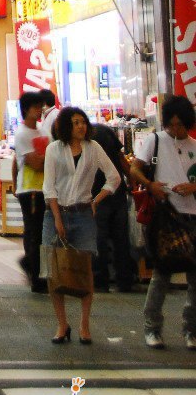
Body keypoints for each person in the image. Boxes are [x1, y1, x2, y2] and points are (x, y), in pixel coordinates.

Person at [41, 105, 120, 346]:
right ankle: (62, 324)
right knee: (54, 272)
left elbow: (114, 177)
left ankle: (85, 324)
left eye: (83, 121)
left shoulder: (93, 148)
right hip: (56, 213)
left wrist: (97, 199)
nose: (81, 126)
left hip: (83, 213)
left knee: (84, 271)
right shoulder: (54, 149)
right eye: (75, 122)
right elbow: (49, 186)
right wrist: (56, 218)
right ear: (66, 126)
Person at [131, 94, 196, 350]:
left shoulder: (194, 145)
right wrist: (151, 185)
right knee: (161, 274)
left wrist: (192, 187)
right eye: (172, 124)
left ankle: (191, 330)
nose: (176, 129)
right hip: (165, 216)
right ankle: (152, 328)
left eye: (180, 124)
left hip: (192, 216)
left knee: (195, 279)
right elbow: (135, 168)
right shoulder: (155, 141)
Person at [90, 118, 135, 293]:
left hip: (97, 195)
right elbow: (121, 159)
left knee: (99, 238)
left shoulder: (84, 140)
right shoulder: (105, 130)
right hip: (117, 193)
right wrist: (131, 181)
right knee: (121, 238)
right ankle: (125, 280)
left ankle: (100, 280)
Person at [12, 91, 48, 294]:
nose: (39, 110)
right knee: (34, 232)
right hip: (30, 189)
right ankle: (35, 274)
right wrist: (43, 158)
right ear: (26, 109)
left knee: (42, 233)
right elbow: (34, 162)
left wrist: (42, 158)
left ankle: (33, 266)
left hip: (44, 188)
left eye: (41, 106)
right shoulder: (23, 133)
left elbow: (48, 158)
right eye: (36, 107)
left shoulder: (43, 131)